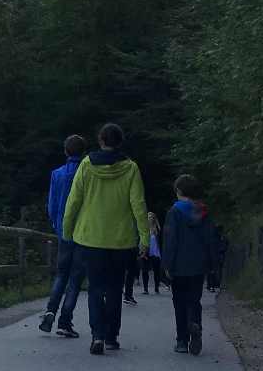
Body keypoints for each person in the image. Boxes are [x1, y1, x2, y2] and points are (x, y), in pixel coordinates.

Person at [62, 123, 150, 355]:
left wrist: (67, 230)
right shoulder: (131, 168)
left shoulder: (87, 165)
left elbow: (74, 200)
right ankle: (111, 336)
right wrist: (145, 238)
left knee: (95, 288)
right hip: (121, 240)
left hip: (90, 237)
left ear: (100, 140)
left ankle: (97, 336)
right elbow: (138, 205)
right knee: (114, 288)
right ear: (120, 142)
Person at [162, 174, 218, 355]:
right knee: (194, 300)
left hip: (179, 265)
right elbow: (211, 239)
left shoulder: (175, 212)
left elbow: (171, 240)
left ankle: (181, 340)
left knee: (179, 302)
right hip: (199, 265)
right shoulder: (203, 212)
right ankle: (195, 324)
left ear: (178, 191)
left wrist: (167, 265)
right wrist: (212, 263)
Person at [38, 134, 88, 339]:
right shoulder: (86, 173)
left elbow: (51, 205)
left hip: (63, 231)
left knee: (61, 274)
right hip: (83, 232)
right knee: (76, 278)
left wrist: (56, 224)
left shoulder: (56, 174)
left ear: (66, 151)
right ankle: (65, 321)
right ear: (83, 152)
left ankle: (50, 310)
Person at [141, 212, 163, 294]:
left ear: (154, 218)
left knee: (156, 271)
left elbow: (161, 242)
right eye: (149, 217)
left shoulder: (158, 229)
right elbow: (141, 241)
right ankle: (145, 289)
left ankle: (156, 287)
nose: (150, 218)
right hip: (146, 252)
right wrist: (142, 251)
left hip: (155, 253)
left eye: (152, 217)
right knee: (144, 270)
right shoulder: (144, 229)